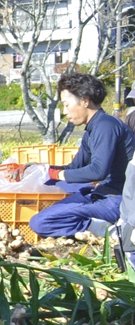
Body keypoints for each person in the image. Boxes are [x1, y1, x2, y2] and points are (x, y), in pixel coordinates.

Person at [28, 72, 135, 239]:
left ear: (85, 101)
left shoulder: (106, 126)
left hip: (117, 200)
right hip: (102, 192)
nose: (64, 112)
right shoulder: (92, 130)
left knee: (41, 222)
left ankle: (111, 231)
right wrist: (39, 170)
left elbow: (98, 171)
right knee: (65, 187)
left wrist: (58, 174)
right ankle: (95, 225)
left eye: (66, 105)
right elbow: (75, 167)